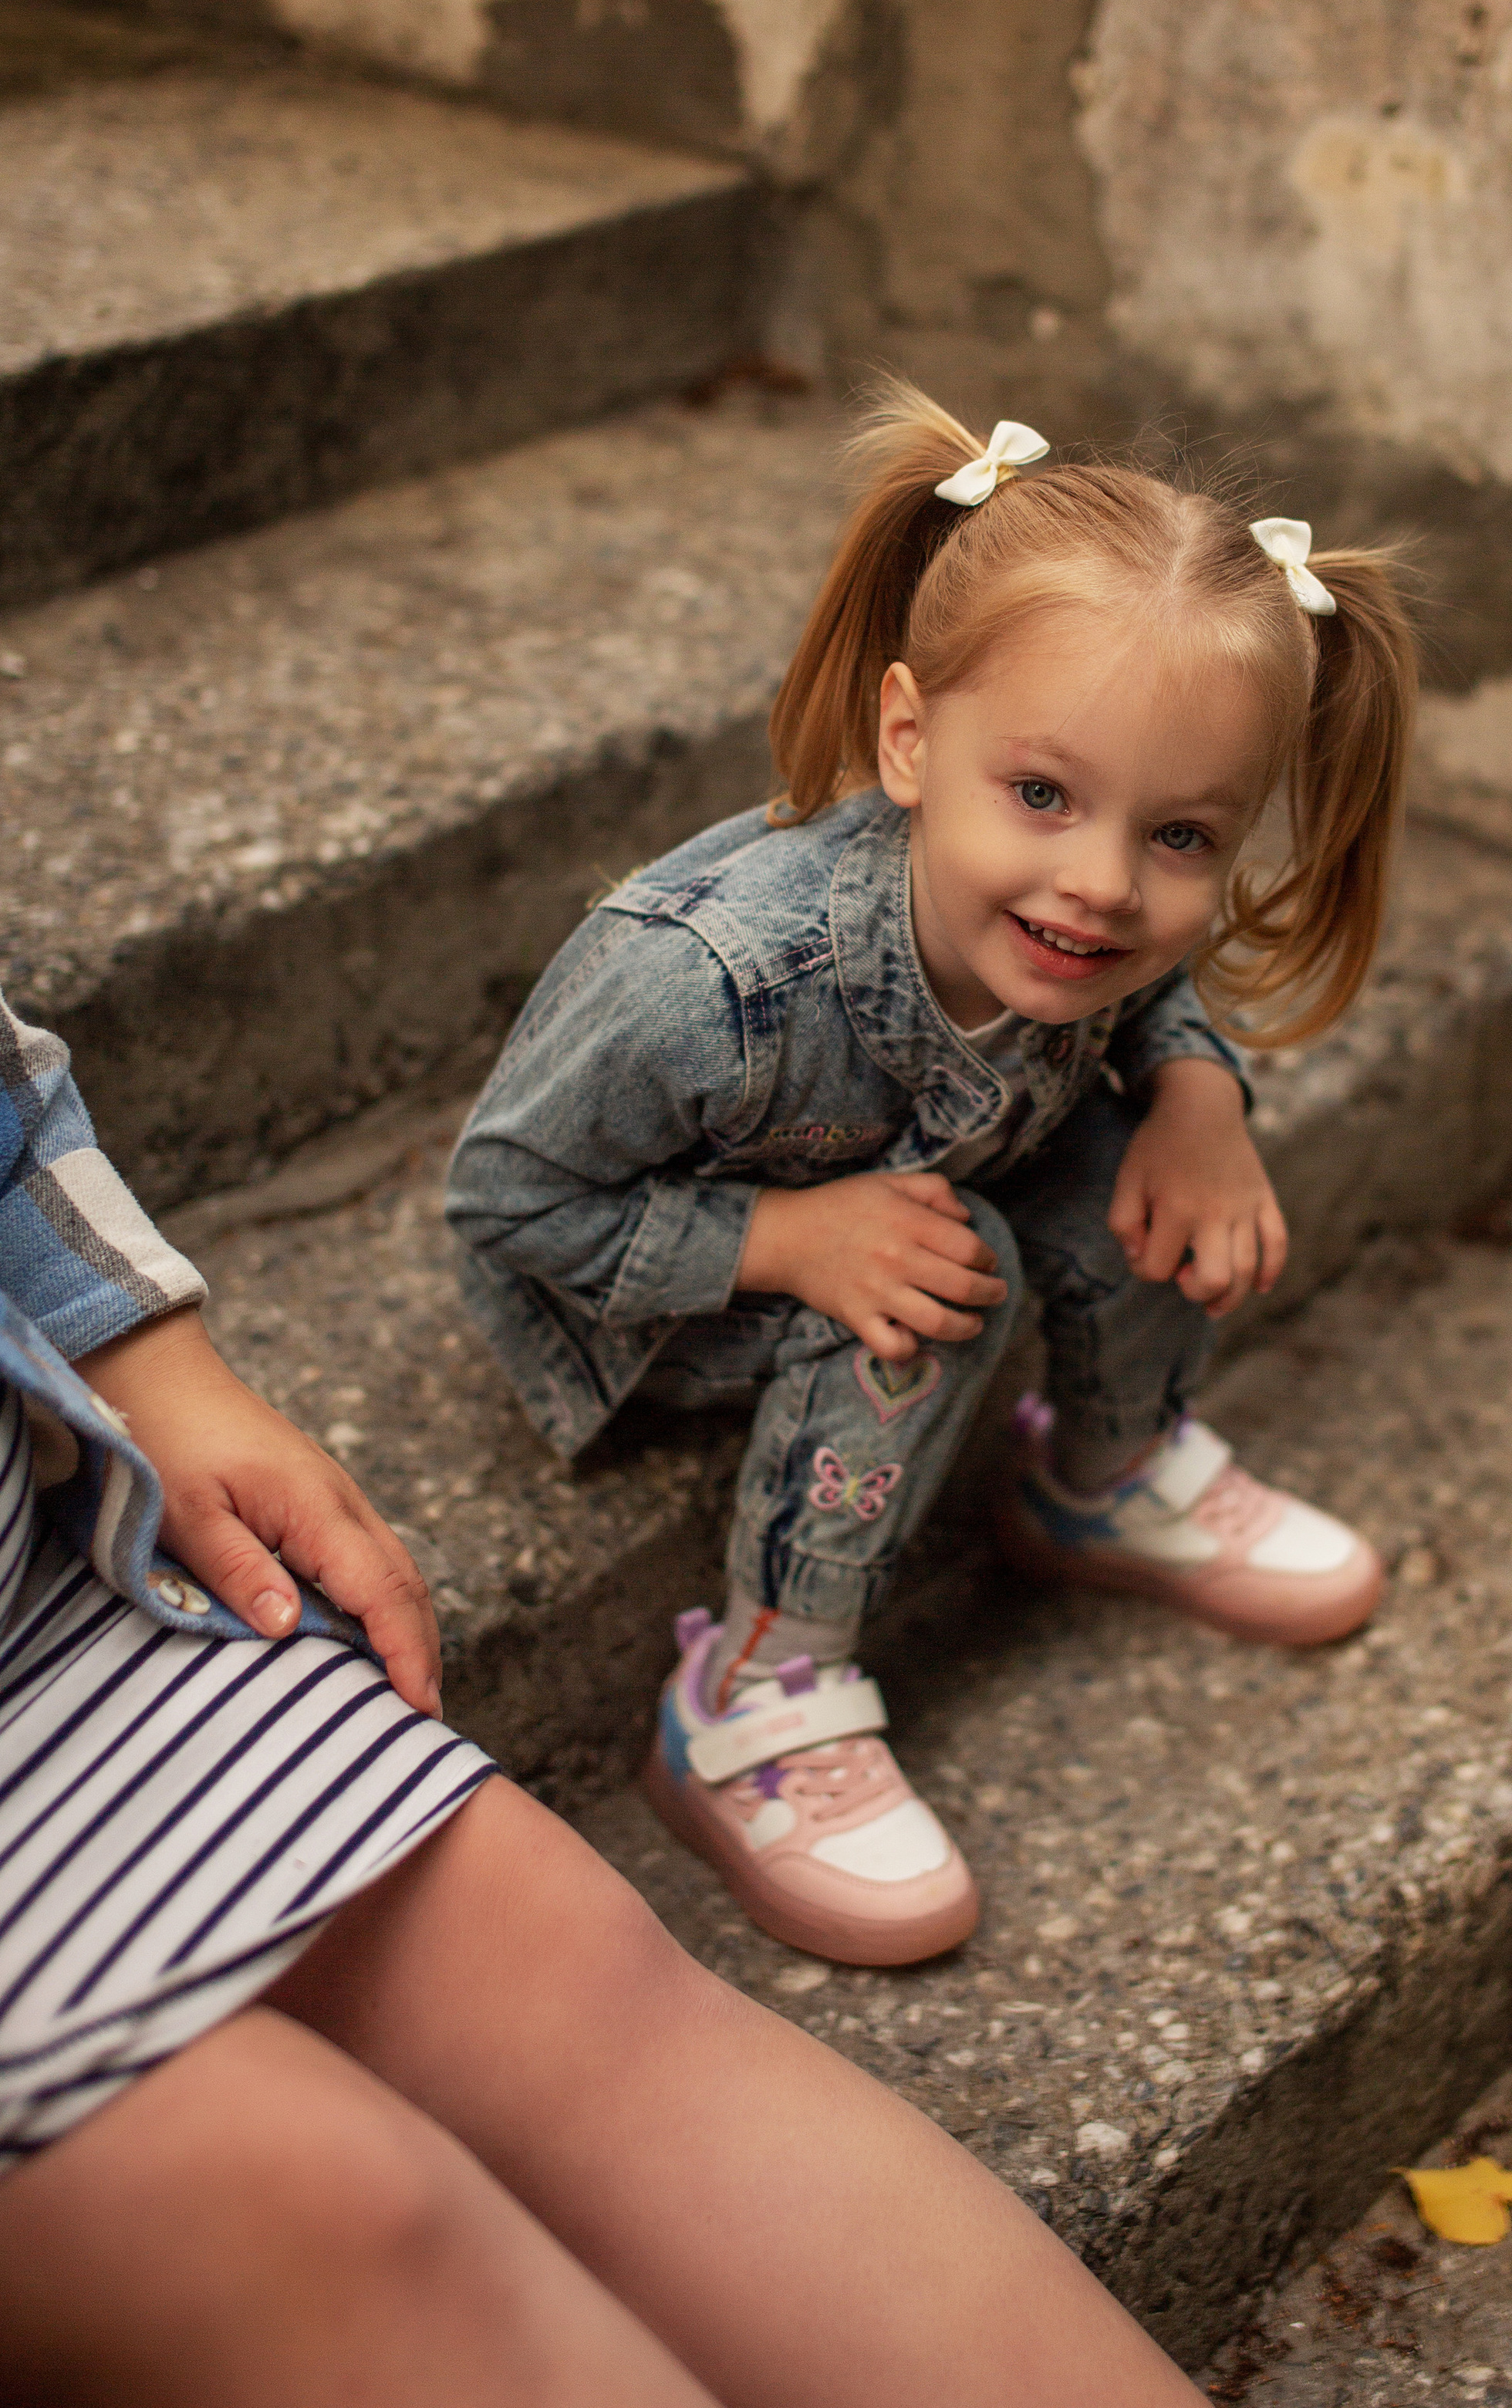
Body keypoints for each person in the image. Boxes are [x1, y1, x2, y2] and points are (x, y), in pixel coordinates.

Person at [0, 995, 1201, 2407]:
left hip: (46, 1611)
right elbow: (518, 1184)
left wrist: (134, 1345)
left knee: (569, 1970)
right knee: (297, 2203)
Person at [447, 386, 1417, 1969]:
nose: (1100, 884)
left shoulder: (1069, 915)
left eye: (1181, 836)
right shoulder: (709, 983)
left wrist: (1191, 1092)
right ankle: (749, 1695)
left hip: (938, 1165)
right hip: (653, 1282)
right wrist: (782, 1238)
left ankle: (1096, 1474)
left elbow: (1137, 984)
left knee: (1137, 1174)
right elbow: (504, 1203)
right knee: (944, 1276)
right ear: (909, 736)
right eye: (1040, 795)